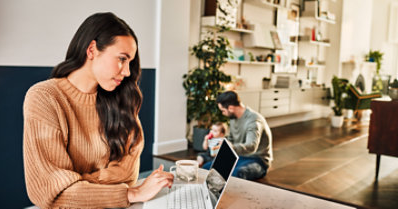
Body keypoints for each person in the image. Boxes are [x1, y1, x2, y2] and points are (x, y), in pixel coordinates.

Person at [23, 12, 173, 209]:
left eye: (130, 62)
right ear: (92, 49)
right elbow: (50, 193)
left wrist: (78, 185)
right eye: (122, 59)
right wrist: (132, 192)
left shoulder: (122, 101)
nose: (127, 72)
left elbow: (128, 175)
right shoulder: (45, 98)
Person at [203, 91, 273, 180]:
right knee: (206, 168)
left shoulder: (253, 120)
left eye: (223, 110)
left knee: (237, 174)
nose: (222, 113)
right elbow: (231, 139)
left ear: (231, 108)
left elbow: (251, 146)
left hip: (257, 160)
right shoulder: (233, 118)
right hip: (238, 156)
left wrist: (231, 147)